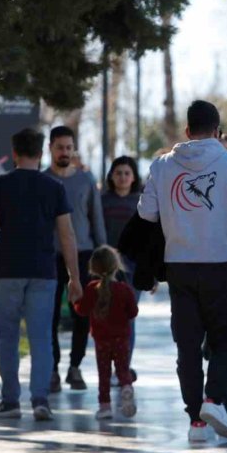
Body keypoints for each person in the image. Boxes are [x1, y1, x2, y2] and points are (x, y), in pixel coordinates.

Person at [138, 100, 227, 442]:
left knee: (188, 346)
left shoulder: (162, 165)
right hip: (221, 265)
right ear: (218, 131)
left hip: (178, 265)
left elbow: (146, 212)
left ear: (186, 130)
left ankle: (196, 422)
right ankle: (213, 398)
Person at [0, 128, 82, 421]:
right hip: (44, 272)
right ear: (42, 153)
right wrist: (75, 277)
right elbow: (67, 235)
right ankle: (40, 399)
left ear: (15, 153)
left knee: (7, 337)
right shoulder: (55, 187)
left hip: (7, 270)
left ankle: (10, 401)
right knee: (41, 337)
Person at [45, 125, 107, 393]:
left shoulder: (85, 180)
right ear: (50, 148)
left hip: (83, 255)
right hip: (50, 256)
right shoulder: (43, 181)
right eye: (60, 147)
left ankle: (75, 367)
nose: (65, 152)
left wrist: (104, 258)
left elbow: (97, 219)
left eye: (69, 147)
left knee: (83, 315)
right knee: (50, 315)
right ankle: (53, 369)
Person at [73, 245, 139, 420]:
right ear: (116, 266)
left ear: (93, 267)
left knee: (104, 374)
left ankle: (105, 407)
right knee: (122, 369)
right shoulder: (124, 289)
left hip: (101, 339)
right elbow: (133, 312)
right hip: (122, 338)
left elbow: (82, 310)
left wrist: (75, 300)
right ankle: (126, 386)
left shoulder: (91, 289)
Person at [101, 156, 148, 370]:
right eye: (118, 173)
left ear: (133, 177)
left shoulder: (142, 201)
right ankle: (109, 363)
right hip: (106, 268)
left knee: (128, 317)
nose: (122, 177)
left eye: (127, 173)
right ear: (111, 176)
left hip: (133, 267)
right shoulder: (103, 201)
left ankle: (123, 367)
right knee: (108, 318)